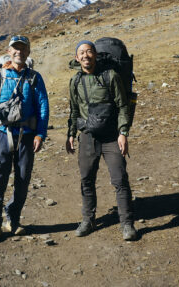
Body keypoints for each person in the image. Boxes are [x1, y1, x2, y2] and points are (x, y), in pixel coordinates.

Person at [65, 40, 138, 241]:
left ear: (95, 55)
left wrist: (123, 132)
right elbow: (73, 110)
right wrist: (71, 134)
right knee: (86, 179)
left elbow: (123, 105)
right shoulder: (75, 81)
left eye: (89, 51)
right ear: (77, 58)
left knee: (120, 179)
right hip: (87, 136)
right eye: (82, 52)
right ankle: (88, 220)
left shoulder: (110, 76)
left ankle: (127, 224)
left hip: (111, 136)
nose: (86, 55)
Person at [0, 35, 49, 242]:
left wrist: (40, 134)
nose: (19, 51)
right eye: (15, 48)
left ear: (28, 52)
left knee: (22, 180)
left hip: (26, 138)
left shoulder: (35, 78)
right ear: (9, 52)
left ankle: (14, 219)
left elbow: (43, 107)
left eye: (23, 48)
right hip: (0, 135)